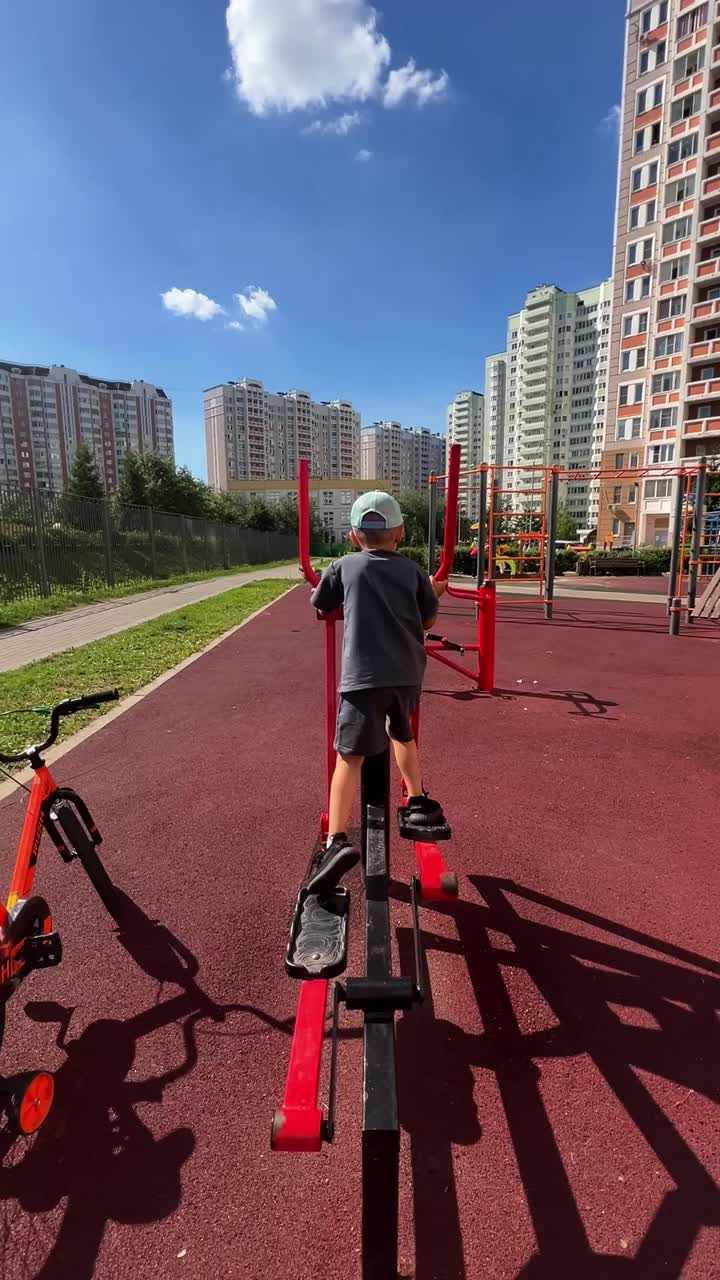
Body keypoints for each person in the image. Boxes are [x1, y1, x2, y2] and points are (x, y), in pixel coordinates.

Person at [305, 490, 449, 895]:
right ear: (400, 534)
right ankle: (417, 798)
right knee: (402, 731)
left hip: (362, 677)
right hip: (405, 674)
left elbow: (321, 603)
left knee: (348, 757)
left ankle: (336, 840)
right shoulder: (412, 571)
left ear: (353, 536)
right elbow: (427, 618)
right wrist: (434, 594)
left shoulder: (344, 566)